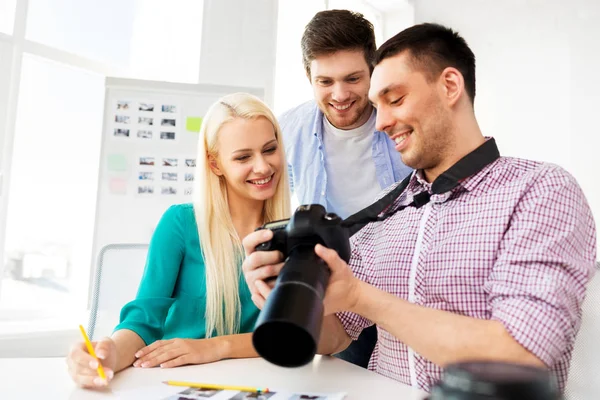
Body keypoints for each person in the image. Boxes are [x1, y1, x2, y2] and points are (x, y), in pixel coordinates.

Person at [242, 23, 597, 392]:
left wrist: (364, 298)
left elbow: (524, 352)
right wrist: (282, 294)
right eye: (378, 107)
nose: (380, 123)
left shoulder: (540, 191)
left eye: (395, 100)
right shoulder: (385, 214)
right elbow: (336, 336)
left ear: (450, 86)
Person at [67, 93, 291, 388]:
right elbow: (143, 321)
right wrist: (107, 355)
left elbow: (293, 335)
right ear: (215, 165)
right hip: (177, 383)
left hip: (259, 385)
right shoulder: (181, 223)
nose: (262, 167)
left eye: (269, 149)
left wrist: (216, 346)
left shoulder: (291, 233)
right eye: (243, 157)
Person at [279, 9, 412, 368]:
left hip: (399, 287)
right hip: (337, 292)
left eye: (353, 78)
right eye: (325, 81)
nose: (339, 94)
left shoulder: (403, 124)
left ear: (373, 71)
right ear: (309, 77)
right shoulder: (288, 130)